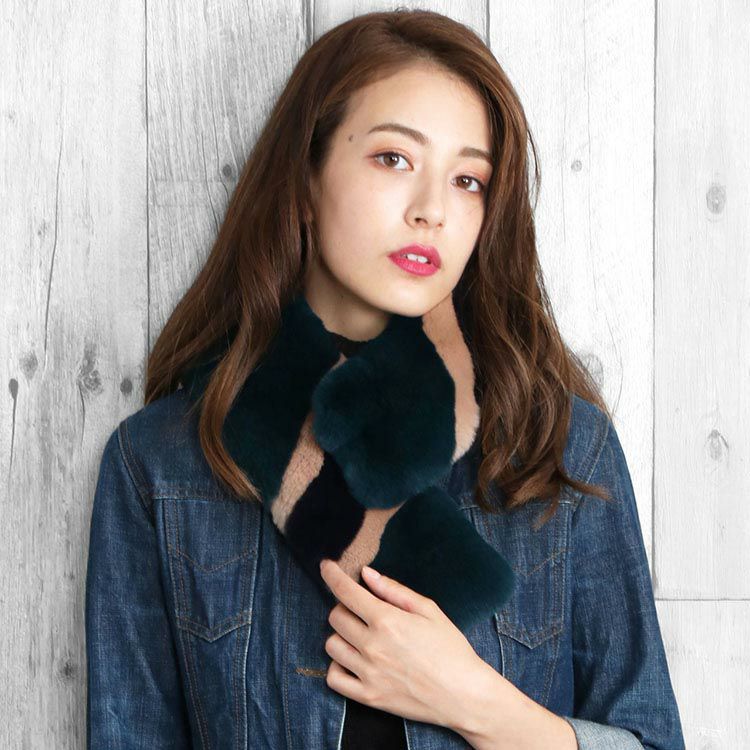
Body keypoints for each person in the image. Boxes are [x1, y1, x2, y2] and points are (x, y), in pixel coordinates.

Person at [85, 8, 686, 749]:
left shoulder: (554, 446)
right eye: (394, 159)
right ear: (306, 176)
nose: (432, 209)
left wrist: (474, 702)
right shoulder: (162, 463)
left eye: (467, 179)